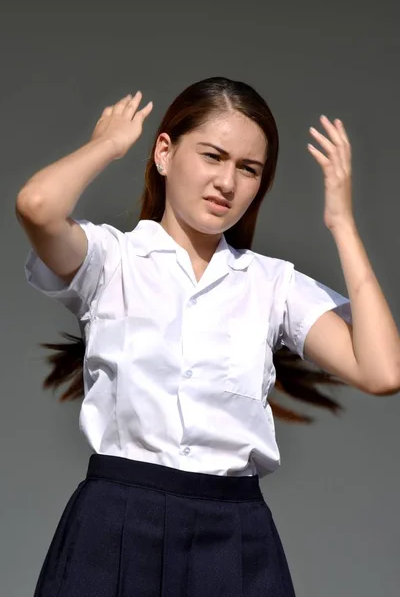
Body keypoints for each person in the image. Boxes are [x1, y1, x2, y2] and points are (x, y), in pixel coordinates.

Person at [16, 77, 400, 596]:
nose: (227, 181)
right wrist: (106, 145)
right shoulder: (113, 260)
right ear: (165, 152)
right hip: (114, 526)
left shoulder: (272, 285)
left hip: (234, 539)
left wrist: (342, 223)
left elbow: (381, 371)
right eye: (213, 156)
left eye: (249, 169)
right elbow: (37, 205)